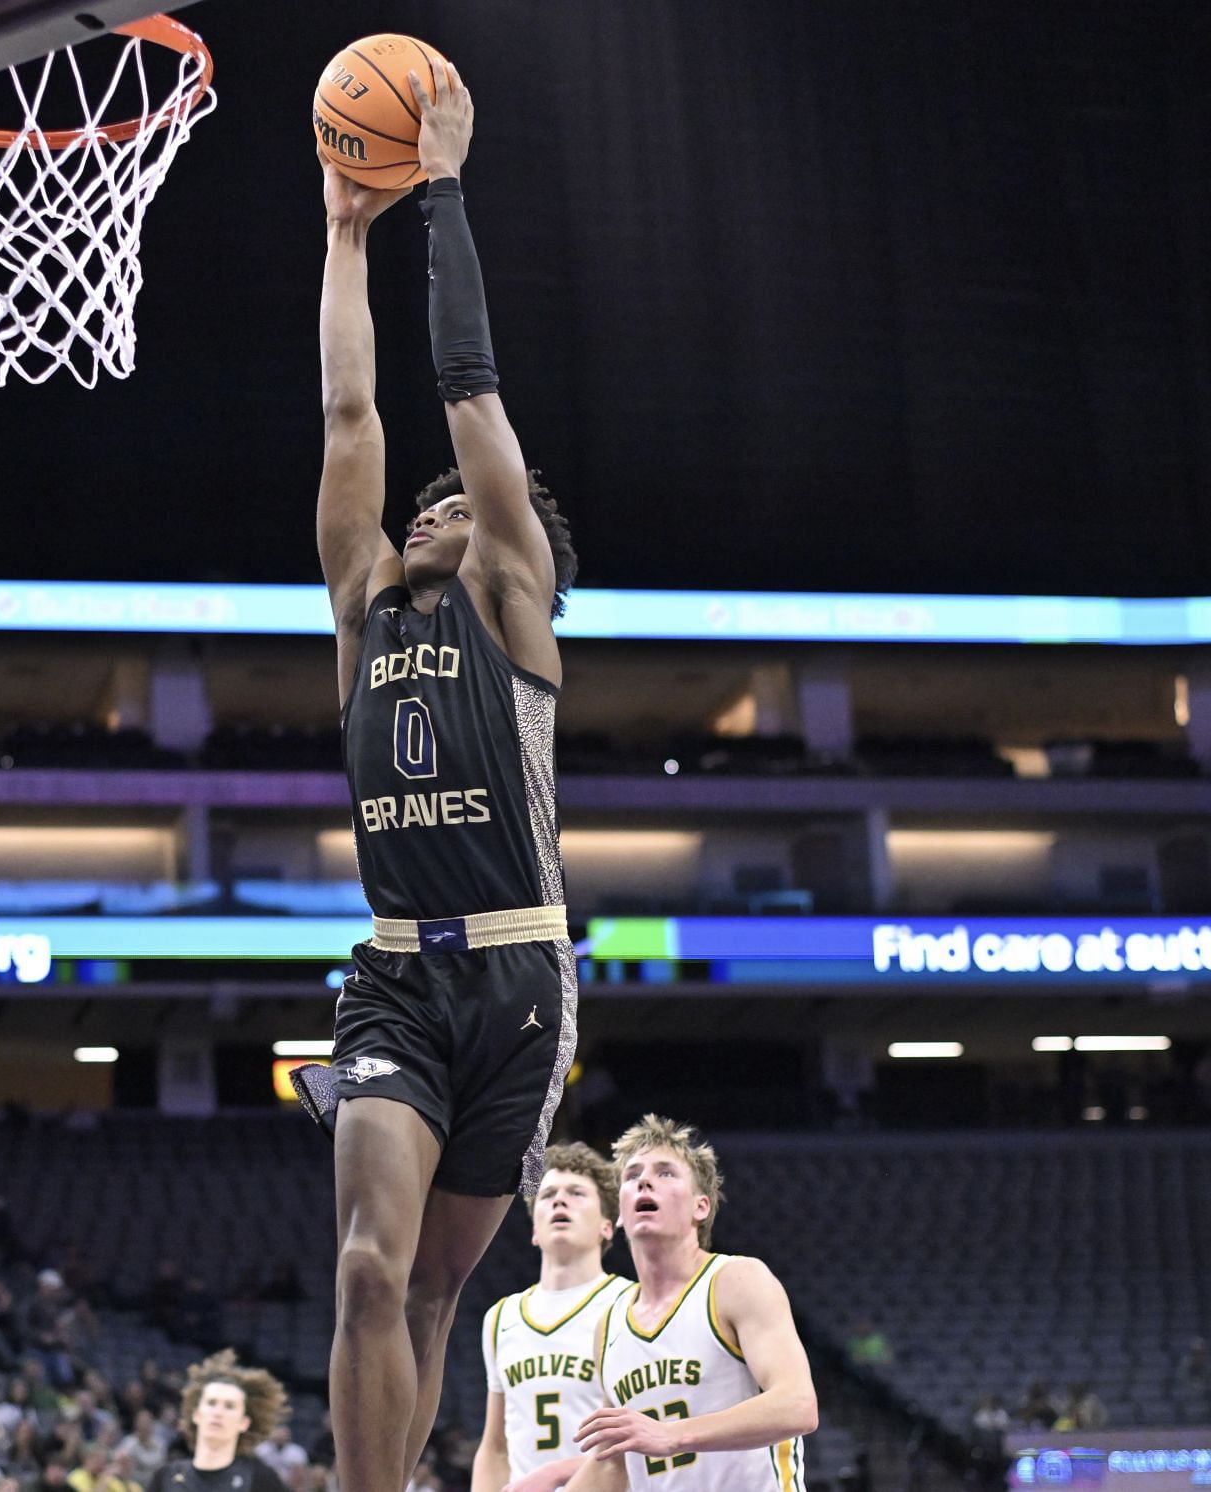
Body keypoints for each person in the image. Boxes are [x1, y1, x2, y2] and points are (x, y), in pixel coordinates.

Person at [293, 52, 580, 1492]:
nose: (436, 501)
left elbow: (467, 389)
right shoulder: (365, 609)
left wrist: (445, 188)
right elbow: (358, 421)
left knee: (427, 1296)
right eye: (429, 500)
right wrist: (347, 232)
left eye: (461, 501)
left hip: (524, 984)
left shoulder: (512, 604)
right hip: (399, 974)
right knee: (362, 1273)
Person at [563, 1115, 816, 1490]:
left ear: (701, 1206)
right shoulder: (610, 1324)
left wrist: (673, 1435)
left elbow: (797, 1405)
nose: (644, 1181)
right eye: (632, 1176)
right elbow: (612, 1463)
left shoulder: (736, 1280)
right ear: (618, 1213)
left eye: (666, 1173)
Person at [472, 1145, 631, 1492]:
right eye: (547, 1195)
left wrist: (557, 1474)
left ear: (607, 1225)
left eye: (576, 1193)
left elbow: (643, 1442)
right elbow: (496, 1447)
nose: (560, 1202)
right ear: (534, 1231)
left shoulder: (630, 1304)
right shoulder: (501, 1318)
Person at [147, 1353, 288, 1492]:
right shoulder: (165, 1477)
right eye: (211, 1403)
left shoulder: (261, 1480)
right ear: (196, 1415)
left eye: (229, 1406)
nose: (218, 1412)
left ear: (244, 1423)